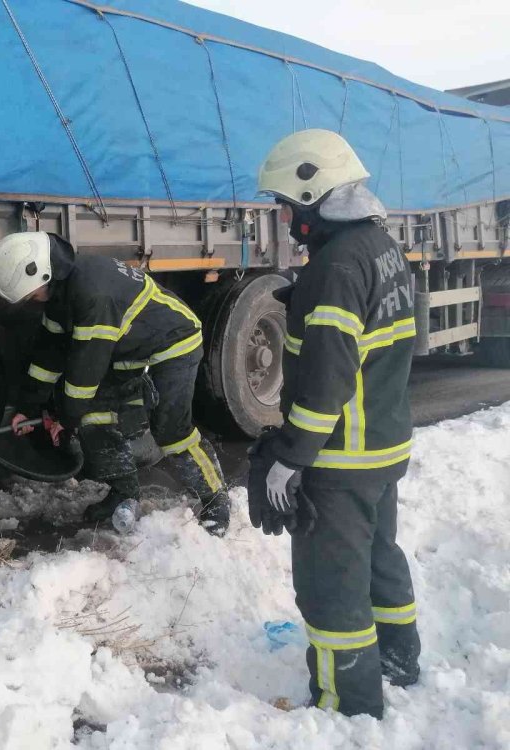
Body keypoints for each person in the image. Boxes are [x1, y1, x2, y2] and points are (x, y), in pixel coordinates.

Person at [248, 129, 421, 718]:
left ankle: (345, 705)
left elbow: (325, 381)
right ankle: (399, 657)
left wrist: (290, 459)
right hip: (383, 447)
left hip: (340, 460)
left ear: (311, 193)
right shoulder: (381, 246)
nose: (283, 217)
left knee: (330, 587)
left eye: (286, 205)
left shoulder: (334, 267)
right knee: (379, 559)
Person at [0, 231, 230, 535]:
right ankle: (124, 492)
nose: (29, 301)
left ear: (41, 276)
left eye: (29, 295)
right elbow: (49, 355)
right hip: (127, 349)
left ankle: (215, 500)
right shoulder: (60, 294)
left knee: (171, 430)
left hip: (172, 343)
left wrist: (64, 418)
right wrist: (27, 407)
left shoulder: (92, 293)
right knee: (93, 416)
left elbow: (84, 372)